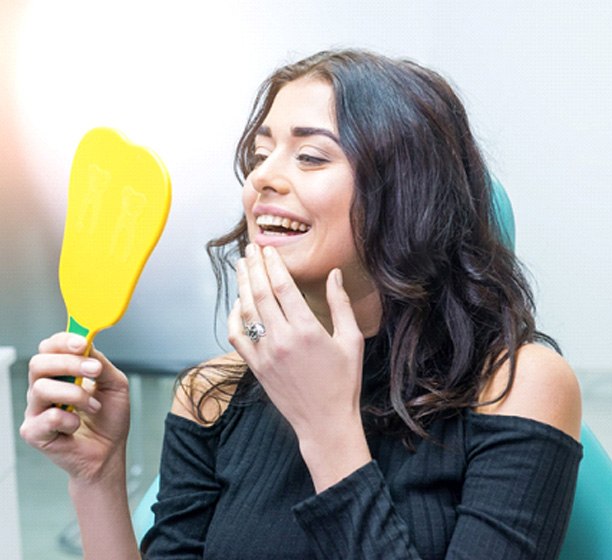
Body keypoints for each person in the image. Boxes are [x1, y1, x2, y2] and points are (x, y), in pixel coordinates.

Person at [20, 49, 583, 559]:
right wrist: (96, 478)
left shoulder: (513, 386)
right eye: (261, 154)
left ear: (410, 192)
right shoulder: (209, 393)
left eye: (311, 157)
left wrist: (326, 429)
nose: (263, 177)